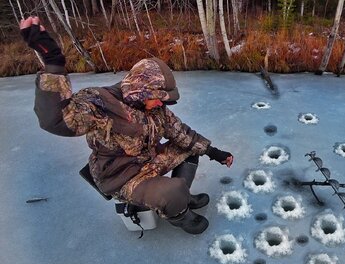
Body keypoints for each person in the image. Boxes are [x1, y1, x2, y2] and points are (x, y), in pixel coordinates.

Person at [20, 16, 233, 235]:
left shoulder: (154, 107)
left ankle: (181, 199)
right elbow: (56, 119)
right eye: (158, 96)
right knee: (173, 190)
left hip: (148, 161)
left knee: (189, 150)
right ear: (142, 90)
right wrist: (54, 63)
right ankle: (179, 214)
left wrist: (215, 152)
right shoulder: (100, 102)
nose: (162, 102)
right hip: (121, 177)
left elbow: (182, 133)